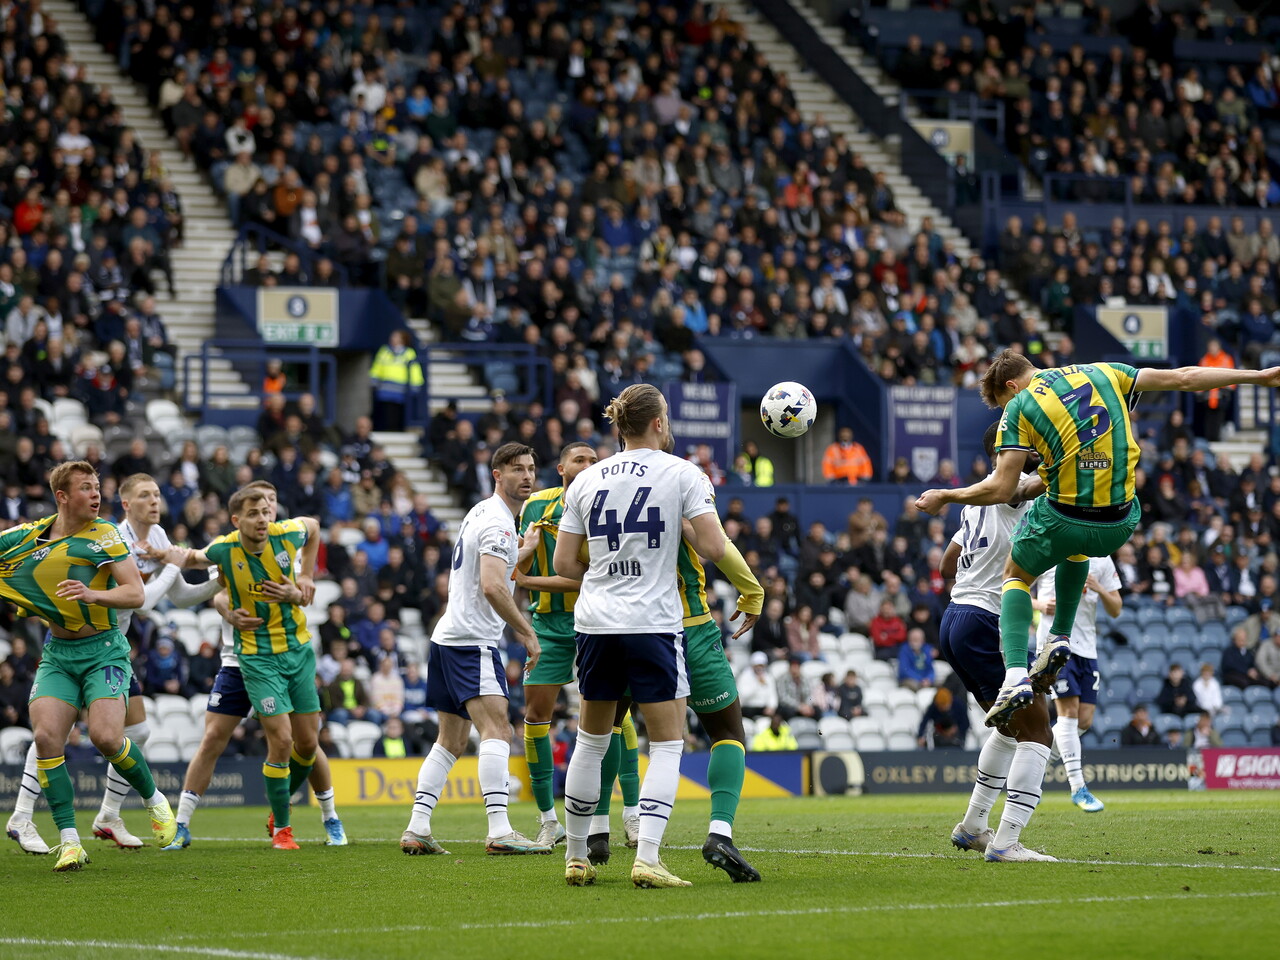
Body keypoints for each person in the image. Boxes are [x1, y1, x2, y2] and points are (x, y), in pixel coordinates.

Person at [917, 350, 1280, 726]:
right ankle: (1060, 637)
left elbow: (1002, 487)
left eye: (1003, 403)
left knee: (1016, 574)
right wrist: (1257, 376)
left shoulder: (1020, 406)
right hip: (1120, 522)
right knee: (1078, 547)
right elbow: (1184, 377)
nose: (1004, 411)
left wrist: (947, 495)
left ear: (1011, 386)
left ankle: (1014, 676)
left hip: (1065, 517)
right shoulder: (1104, 372)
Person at [553, 383, 726, 888]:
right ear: (657, 422)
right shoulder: (681, 472)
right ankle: (647, 856)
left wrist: (610, 568)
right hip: (651, 620)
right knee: (669, 742)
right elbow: (713, 546)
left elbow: (564, 562)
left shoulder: (586, 479)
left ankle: (577, 855)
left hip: (595, 621)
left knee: (590, 740)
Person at [7, 472, 224, 853]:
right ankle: (25, 814)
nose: (156, 501)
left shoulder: (156, 538)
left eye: (158, 493)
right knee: (50, 731)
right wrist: (173, 565)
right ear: (127, 504)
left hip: (111, 645)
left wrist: (218, 583)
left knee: (129, 734)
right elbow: (146, 597)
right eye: (146, 495)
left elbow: (181, 598)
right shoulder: (112, 535)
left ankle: (109, 815)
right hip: (74, 639)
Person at [159, 481, 346, 850]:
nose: (266, 515)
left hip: (292, 652)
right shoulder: (230, 549)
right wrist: (227, 609)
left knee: (308, 743)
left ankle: (328, 816)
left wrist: (301, 585)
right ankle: (182, 824)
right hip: (242, 657)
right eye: (258, 509)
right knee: (219, 738)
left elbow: (310, 547)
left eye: (270, 506)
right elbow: (219, 589)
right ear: (238, 517)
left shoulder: (288, 542)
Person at [400, 443, 549, 856]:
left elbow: (494, 566)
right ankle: (500, 830)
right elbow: (492, 584)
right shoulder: (500, 522)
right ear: (496, 474)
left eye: (532, 469)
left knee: (449, 740)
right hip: (471, 642)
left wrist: (526, 551)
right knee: (498, 729)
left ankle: (417, 826)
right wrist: (525, 631)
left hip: (446, 638)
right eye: (517, 469)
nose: (527, 476)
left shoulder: (480, 512)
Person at [939, 423, 1058, 862]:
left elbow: (945, 563)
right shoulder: (1009, 488)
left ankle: (973, 826)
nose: (1037, 452)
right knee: (1038, 730)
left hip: (956, 619)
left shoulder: (976, 502)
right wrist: (1076, 454)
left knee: (1011, 725)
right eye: (1030, 446)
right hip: (986, 619)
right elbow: (1046, 478)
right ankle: (1007, 842)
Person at [516, 441, 623, 848]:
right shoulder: (536, 506)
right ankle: (548, 819)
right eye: (580, 459)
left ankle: (620, 813)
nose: (590, 465)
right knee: (535, 715)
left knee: (614, 717)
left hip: (596, 619)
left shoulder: (610, 504)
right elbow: (518, 563)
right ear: (561, 468)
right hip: (548, 623)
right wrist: (522, 565)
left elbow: (589, 577)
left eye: (595, 460)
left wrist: (526, 581)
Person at [1033, 553, 1121, 813]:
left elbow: (1116, 609)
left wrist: (1100, 588)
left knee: (1083, 721)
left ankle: (1031, 774)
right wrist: (1039, 605)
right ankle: (1078, 787)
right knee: (1068, 715)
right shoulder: (1052, 550)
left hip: (1087, 649)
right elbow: (1013, 585)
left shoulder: (1103, 559)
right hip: (1056, 643)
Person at [369, 329, 424, 431]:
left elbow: (414, 370)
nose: (392, 338)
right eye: (392, 336)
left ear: (402, 339)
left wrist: (415, 386)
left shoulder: (409, 353)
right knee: (385, 415)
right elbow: (377, 368)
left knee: (398, 415)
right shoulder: (384, 351)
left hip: (401, 391)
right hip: (385, 390)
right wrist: (374, 382)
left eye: (396, 336)